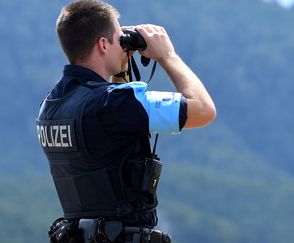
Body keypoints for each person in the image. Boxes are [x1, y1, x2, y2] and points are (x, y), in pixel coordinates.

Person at [36, 0, 216, 242]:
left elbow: (110, 139)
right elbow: (204, 111)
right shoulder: (112, 103)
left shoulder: (51, 106)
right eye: (118, 38)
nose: (124, 44)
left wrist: (119, 71)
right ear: (102, 44)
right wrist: (167, 56)